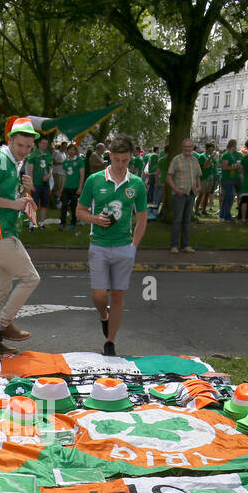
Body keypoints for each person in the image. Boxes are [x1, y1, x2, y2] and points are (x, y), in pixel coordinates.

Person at [0, 119, 41, 355]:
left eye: (28, 147)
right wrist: (14, 204)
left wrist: (26, 190)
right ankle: (3, 325)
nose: (24, 151)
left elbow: (16, 200)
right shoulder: (1, 161)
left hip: (3, 231)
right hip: (1, 232)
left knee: (1, 288)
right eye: (20, 145)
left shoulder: (12, 163)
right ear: (10, 140)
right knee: (31, 278)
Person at [76, 134, 147, 356]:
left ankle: (110, 341)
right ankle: (103, 315)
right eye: (117, 160)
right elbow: (80, 211)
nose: (121, 165)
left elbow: (142, 217)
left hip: (124, 247)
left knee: (117, 295)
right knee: (99, 295)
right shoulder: (95, 180)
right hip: (99, 244)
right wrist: (95, 219)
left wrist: (133, 246)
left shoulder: (136, 183)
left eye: (125, 161)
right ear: (110, 157)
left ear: (130, 159)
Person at [166, 138, 202, 253]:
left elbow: (198, 177)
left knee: (187, 220)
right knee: (177, 220)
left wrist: (198, 187)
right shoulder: (176, 160)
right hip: (179, 194)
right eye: (185, 147)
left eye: (189, 147)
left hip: (191, 194)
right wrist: (176, 189)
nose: (187, 149)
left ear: (192, 148)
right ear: (182, 148)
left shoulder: (195, 160)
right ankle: (174, 246)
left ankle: (185, 245)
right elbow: (168, 177)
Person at [29, 137, 54, 229]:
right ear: (39, 144)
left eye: (46, 144)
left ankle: (42, 223)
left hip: (45, 184)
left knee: (44, 204)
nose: (44, 145)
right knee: (34, 204)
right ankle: (32, 223)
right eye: (43, 143)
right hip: (36, 183)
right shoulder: (33, 155)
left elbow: (51, 168)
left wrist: (48, 175)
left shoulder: (48, 155)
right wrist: (31, 183)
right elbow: (30, 170)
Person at [60, 140, 84, 231]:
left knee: (74, 207)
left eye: (73, 150)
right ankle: (62, 223)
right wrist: (62, 188)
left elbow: (82, 175)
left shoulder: (79, 161)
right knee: (64, 205)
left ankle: (73, 223)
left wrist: (80, 187)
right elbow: (64, 175)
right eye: (70, 150)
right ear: (67, 151)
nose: (71, 152)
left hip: (75, 187)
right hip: (66, 187)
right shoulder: (65, 162)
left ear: (76, 151)